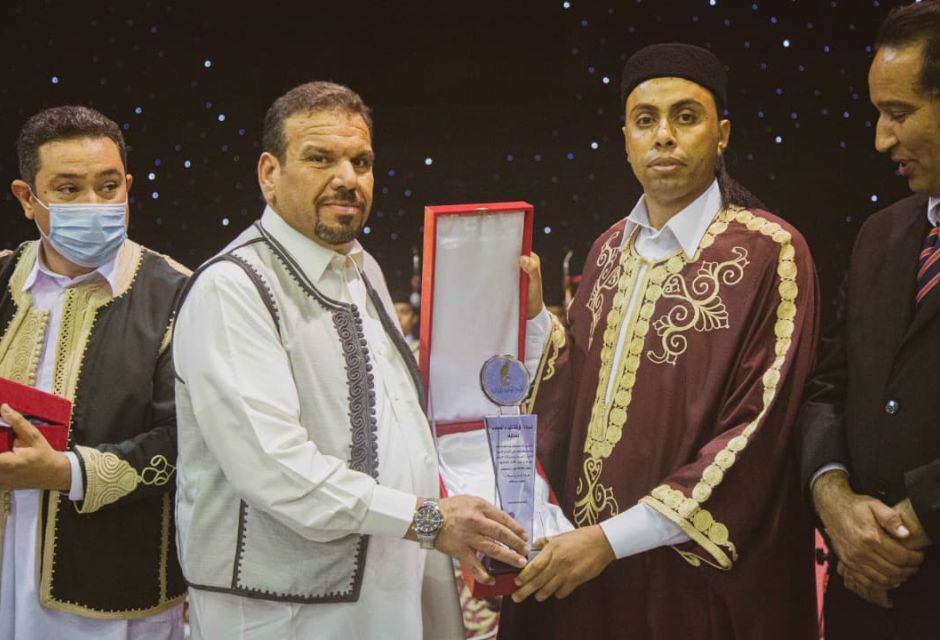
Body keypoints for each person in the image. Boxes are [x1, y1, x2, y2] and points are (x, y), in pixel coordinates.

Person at [173, 81, 536, 639]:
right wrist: (430, 519)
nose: (347, 178)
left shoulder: (362, 270)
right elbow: (275, 469)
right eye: (320, 159)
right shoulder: (234, 287)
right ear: (269, 173)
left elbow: (401, 428)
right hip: (286, 609)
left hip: (393, 578)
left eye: (360, 162)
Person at [500, 43, 820, 639]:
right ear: (625, 140)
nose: (664, 136)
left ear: (722, 135)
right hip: (583, 570)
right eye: (645, 120)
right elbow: (577, 392)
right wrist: (537, 320)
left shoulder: (768, 252)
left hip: (685, 578)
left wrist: (611, 540)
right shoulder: (607, 250)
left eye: (686, 117)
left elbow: (758, 431)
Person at [0, 106, 189, 638]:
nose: (95, 205)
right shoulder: (2, 277)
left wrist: (68, 472)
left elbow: (193, 441)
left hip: (113, 587)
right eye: (69, 189)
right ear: (27, 198)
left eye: (108, 187)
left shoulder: (178, 294)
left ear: (128, 186)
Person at [799, 2, 940, 637]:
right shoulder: (879, 236)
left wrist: (918, 517)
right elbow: (827, 387)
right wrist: (833, 497)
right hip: (865, 602)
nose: (882, 139)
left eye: (899, 113)